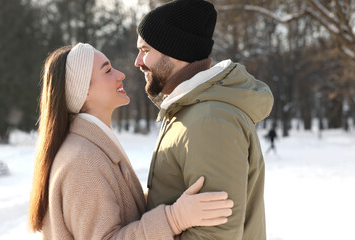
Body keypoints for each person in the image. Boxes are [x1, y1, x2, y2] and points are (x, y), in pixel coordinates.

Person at [28, 43, 234, 239]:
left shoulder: (91, 147)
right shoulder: (82, 161)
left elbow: (120, 211)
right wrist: (174, 218)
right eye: (107, 71)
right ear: (84, 90)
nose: (121, 74)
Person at [134, 0, 274, 239]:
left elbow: (215, 234)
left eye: (145, 50)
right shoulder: (189, 111)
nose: (138, 62)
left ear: (173, 50)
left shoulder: (209, 120)